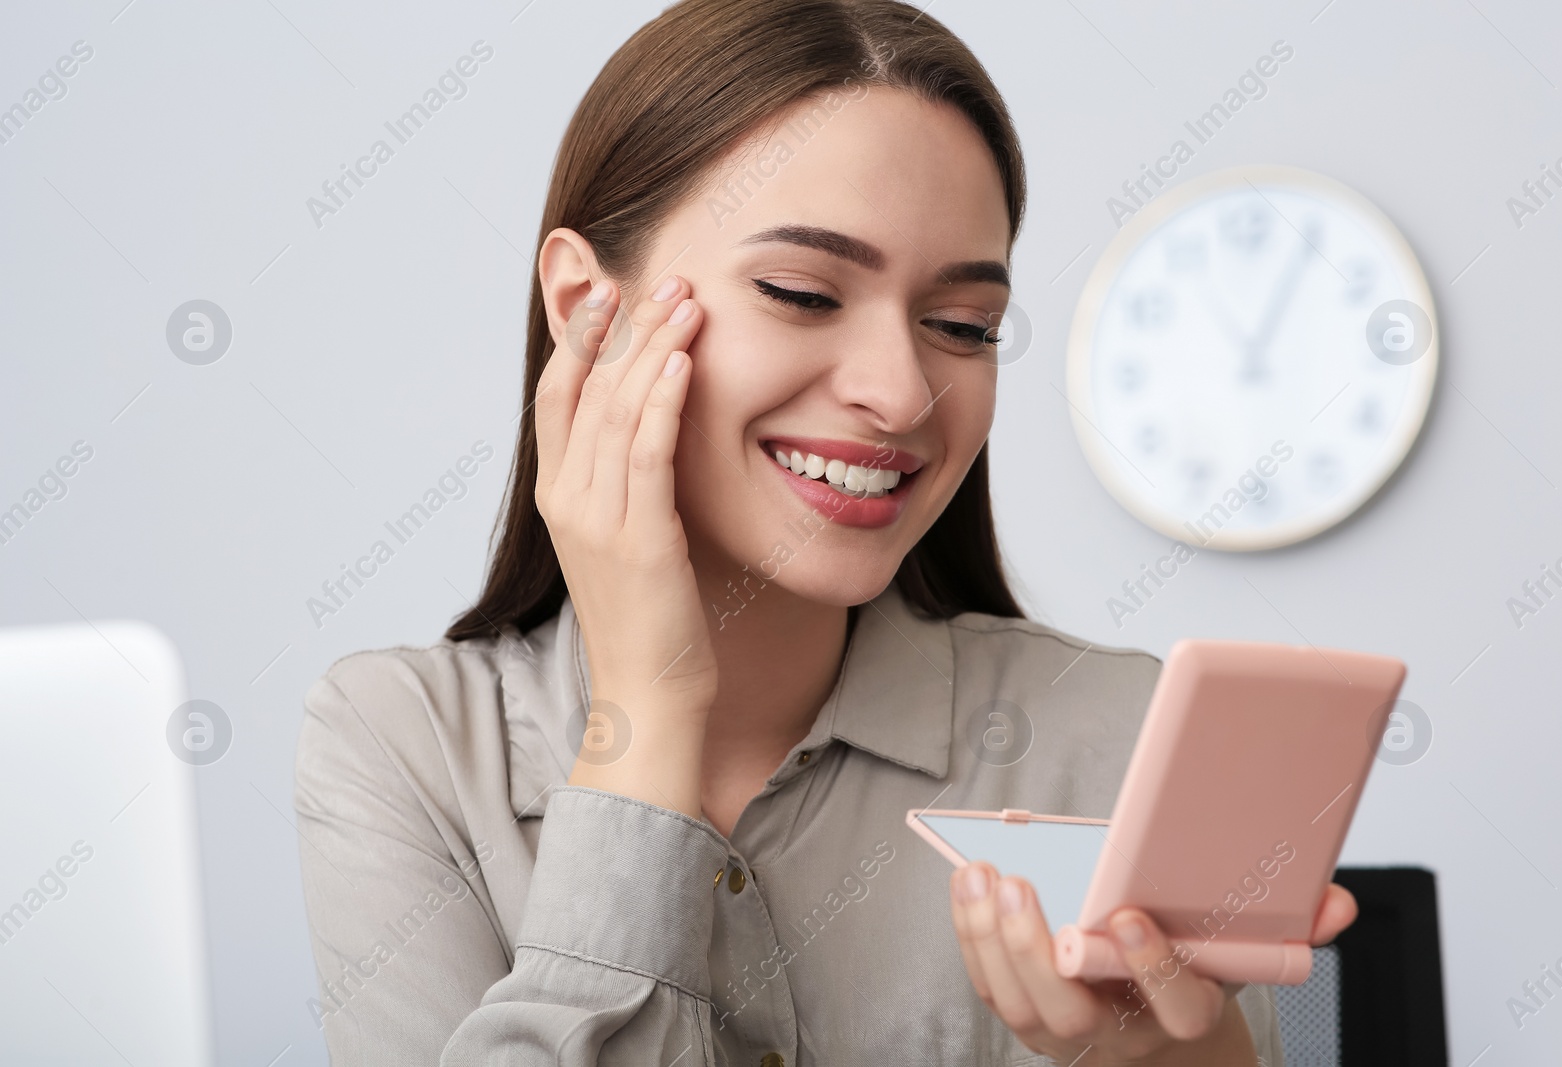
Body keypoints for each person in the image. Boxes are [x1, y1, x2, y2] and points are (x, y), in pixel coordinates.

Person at [293, 0, 1356, 1062]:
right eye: (801, 293)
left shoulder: (1123, 742)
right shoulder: (405, 743)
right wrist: (647, 711)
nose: (900, 394)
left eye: (961, 327)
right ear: (589, 309)